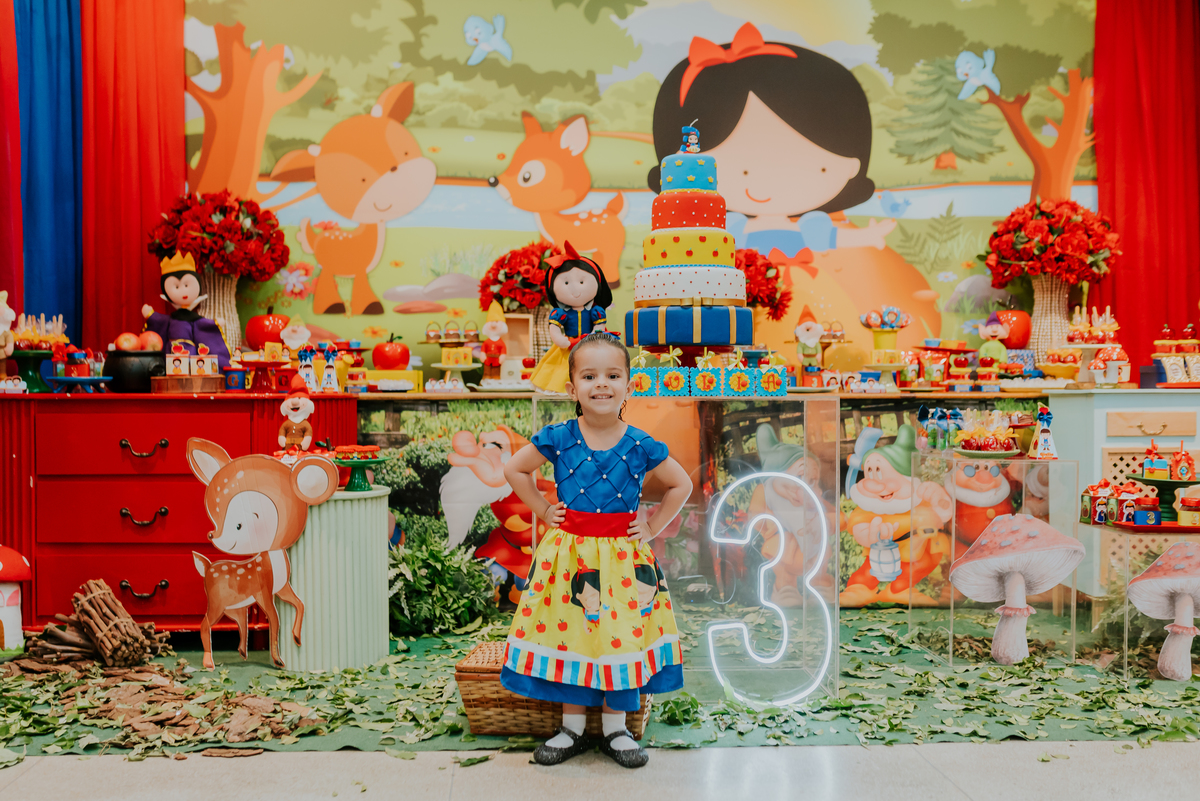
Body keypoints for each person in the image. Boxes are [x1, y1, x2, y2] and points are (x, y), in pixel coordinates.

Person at [501, 332, 692, 768]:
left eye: (612, 375)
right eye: (589, 375)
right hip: (570, 557)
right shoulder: (560, 435)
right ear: (572, 388)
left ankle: (616, 728)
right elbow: (515, 468)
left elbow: (682, 484)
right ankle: (570, 728)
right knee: (572, 635)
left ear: (629, 383)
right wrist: (544, 510)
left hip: (623, 557)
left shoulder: (641, 443)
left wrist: (652, 525)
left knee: (619, 635)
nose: (600, 384)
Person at [527, 241, 613, 395]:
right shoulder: (560, 313)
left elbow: (599, 327)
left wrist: (594, 336)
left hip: (590, 346)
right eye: (566, 283)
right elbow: (555, 328)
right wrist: (561, 340)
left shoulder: (596, 311)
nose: (576, 289)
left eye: (581, 282)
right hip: (568, 346)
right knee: (562, 370)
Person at [141, 252, 231, 368]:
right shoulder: (171, 318)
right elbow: (160, 321)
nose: (183, 291)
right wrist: (151, 315)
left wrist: (214, 323)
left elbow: (202, 325)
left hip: (190, 351)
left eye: (186, 286)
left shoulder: (194, 320)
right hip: (171, 350)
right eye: (177, 287)